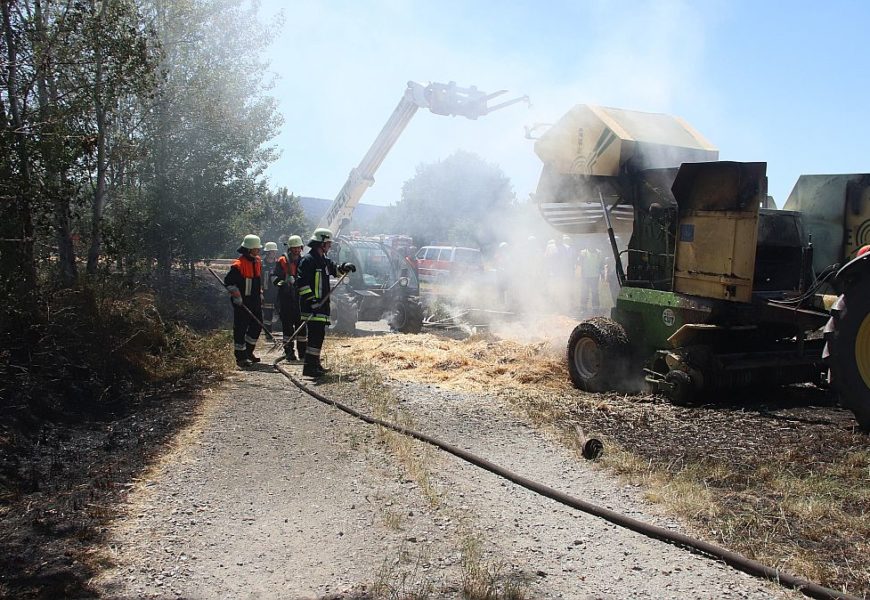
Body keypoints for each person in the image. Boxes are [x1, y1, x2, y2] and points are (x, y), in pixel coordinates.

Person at [295, 228, 356, 378]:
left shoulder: (323, 260)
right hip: (312, 306)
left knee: (319, 335)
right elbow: (301, 284)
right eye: (328, 243)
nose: (330, 246)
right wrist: (312, 301)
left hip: (322, 305)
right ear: (321, 243)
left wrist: (345, 266)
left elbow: (335, 270)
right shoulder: (308, 260)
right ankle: (309, 369)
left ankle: (314, 365)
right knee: (315, 336)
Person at [224, 234, 263, 368]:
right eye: (256, 249)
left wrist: (260, 294)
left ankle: (248, 352)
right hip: (242, 303)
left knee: (257, 326)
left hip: (255, 302)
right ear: (249, 249)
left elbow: (257, 282)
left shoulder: (257, 261)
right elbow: (229, 283)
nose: (258, 251)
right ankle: (241, 357)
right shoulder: (238, 265)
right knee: (240, 329)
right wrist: (237, 296)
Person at [272, 235, 306, 361]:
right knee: (287, 328)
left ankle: (303, 353)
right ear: (290, 248)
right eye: (294, 248)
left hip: (299, 299)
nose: (297, 250)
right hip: (285, 300)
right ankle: (289, 353)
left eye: (299, 248)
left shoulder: (303, 261)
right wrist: (284, 282)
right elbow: (274, 278)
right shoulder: (282, 261)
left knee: (302, 328)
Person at [261, 242, 280, 334]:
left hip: (278, 294)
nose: (274, 253)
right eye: (272, 251)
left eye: (274, 251)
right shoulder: (261, 265)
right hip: (266, 294)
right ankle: (268, 334)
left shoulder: (278, 264)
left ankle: (284, 333)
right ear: (267, 252)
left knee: (282, 313)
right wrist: (260, 293)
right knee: (267, 315)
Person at [579, 246, 604, 314]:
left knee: (595, 292)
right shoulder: (583, 252)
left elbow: (601, 264)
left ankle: (595, 308)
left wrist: (602, 274)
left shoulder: (599, 253)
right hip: (585, 276)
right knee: (584, 292)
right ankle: (583, 308)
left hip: (595, 276)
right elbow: (580, 264)